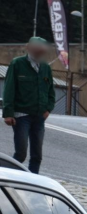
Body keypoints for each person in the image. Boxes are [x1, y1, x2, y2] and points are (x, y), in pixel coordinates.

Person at [2, 37, 55, 174]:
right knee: (21, 153)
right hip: (21, 115)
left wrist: (48, 109)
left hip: (39, 116)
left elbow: (50, 91)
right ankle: (7, 177)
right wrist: (8, 113)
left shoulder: (45, 67)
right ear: (29, 48)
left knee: (37, 156)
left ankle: (33, 183)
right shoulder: (17, 64)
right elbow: (9, 89)